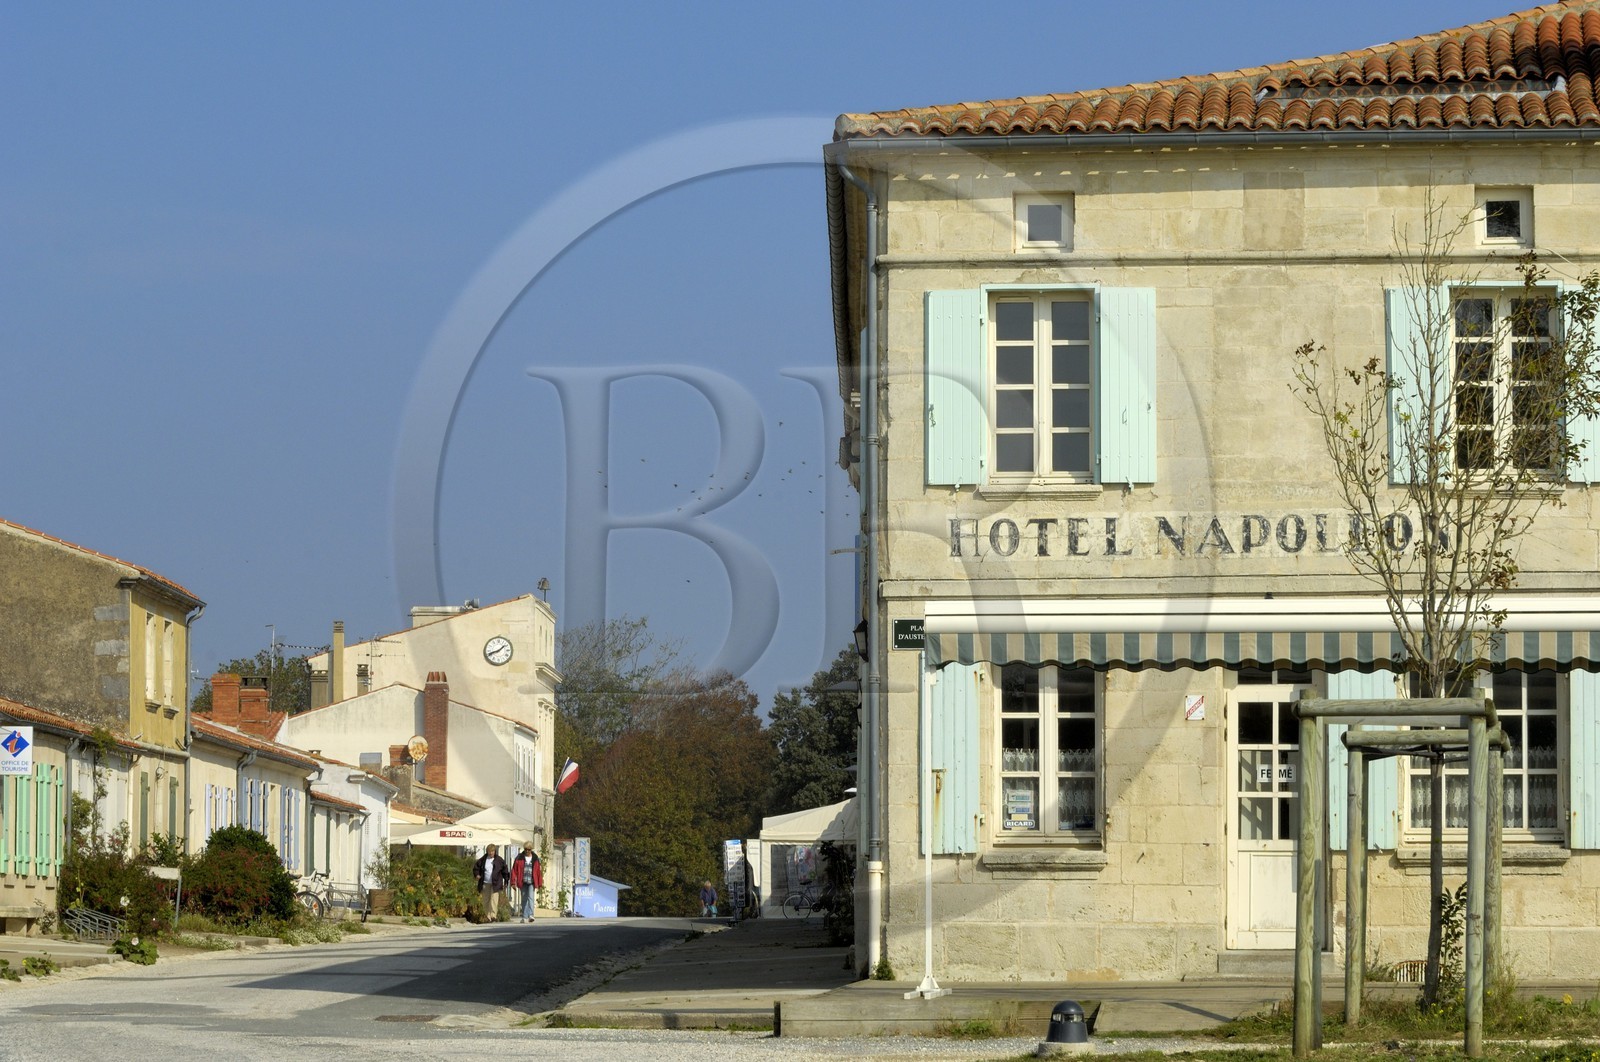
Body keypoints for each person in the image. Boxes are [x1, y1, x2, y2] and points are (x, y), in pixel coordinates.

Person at [473, 844, 510, 922]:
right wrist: (477, 875)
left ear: (495, 851)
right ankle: (487, 916)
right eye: (489, 851)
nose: (491, 853)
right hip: (485, 882)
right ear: (487, 851)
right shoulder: (483, 859)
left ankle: (493, 915)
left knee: (494, 899)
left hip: (496, 883)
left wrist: (506, 880)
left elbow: (505, 870)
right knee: (485, 900)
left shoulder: (499, 860)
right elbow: (476, 867)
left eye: (492, 851)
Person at [510, 842, 543, 923]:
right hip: (522, 881)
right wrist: (513, 882)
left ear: (531, 849)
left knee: (531, 898)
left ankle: (531, 915)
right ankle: (524, 916)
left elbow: (538, 871)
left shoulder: (535, 858)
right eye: (526, 849)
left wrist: (540, 883)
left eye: (529, 849)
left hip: (532, 881)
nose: (527, 851)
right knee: (524, 899)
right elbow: (514, 870)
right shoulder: (519, 858)